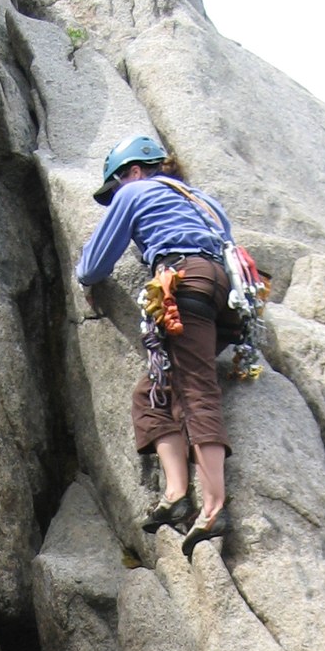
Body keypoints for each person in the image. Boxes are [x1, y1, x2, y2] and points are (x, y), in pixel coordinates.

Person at [76, 134, 237, 554]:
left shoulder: (136, 191)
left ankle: (216, 507)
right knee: (152, 393)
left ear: (131, 171)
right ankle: (176, 494)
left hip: (184, 283)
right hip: (225, 295)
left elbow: (94, 263)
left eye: (114, 190)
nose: (115, 200)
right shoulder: (201, 200)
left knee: (196, 388)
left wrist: (87, 282)